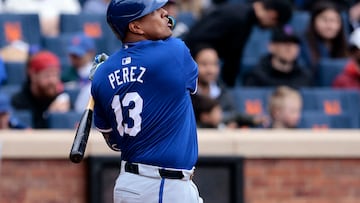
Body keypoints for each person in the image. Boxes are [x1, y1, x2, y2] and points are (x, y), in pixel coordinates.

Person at [90, 0, 202, 202]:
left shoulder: (102, 74)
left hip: (130, 183)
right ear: (135, 26)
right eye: (154, 11)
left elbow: (113, 141)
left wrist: (109, 71)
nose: (164, 12)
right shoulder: (174, 51)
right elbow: (190, 87)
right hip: (162, 186)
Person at [184, 0, 293, 87]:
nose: (270, 28)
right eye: (274, 25)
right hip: (190, 75)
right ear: (272, 15)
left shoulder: (244, 18)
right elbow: (195, 38)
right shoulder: (238, 16)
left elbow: (232, 60)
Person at [193, 44, 268, 128]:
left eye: (214, 64)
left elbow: (233, 116)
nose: (210, 70)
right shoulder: (186, 94)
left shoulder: (223, 93)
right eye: (204, 64)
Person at [11, 51, 70, 128]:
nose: (52, 81)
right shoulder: (19, 101)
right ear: (33, 75)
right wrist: (49, 116)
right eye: (47, 75)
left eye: (55, 75)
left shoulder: (60, 98)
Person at [243, 25, 313, 89]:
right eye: (284, 43)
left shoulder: (304, 76)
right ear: (271, 47)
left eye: (294, 44)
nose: (290, 48)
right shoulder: (257, 76)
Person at [300, 1, 348, 71]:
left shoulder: (345, 47)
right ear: (313, 21)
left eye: (334, 20)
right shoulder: (303, 44)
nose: (329, 26)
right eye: (324, 20)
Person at [61, 33, 96, 112]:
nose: (74, 58)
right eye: (72, 55)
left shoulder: (98, 72)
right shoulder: (65, 76)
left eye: (77, 55)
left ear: (91, 53)